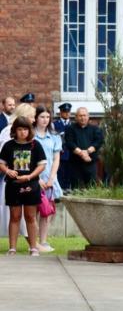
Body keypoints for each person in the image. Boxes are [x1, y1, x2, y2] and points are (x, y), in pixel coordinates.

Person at [0, 115, 47, 255]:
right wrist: (7, 170)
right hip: (13, 185)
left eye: (25, 129)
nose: (22, 132)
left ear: (29, 130)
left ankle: (33, 247)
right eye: (20, 129)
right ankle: (12, 248)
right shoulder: (8, 145)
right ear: (15, 130)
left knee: (30, 216)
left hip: (31, 185)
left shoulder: (35, 145)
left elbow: (42, 165)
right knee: (14, 217)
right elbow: (1, 163)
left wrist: (30, 176)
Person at [34, 105, 62, 252]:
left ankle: (43, 241)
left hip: (50, 179)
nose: (45, 120)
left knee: (46, 211)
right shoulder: (30, 135)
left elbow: (56, 159)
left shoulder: (55, 136)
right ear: (36, 118)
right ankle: (33, 243)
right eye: (42, 117)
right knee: (33, 212)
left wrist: (51, 178)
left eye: (47, 117)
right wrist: (37, 178)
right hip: (34, 178)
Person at [65, 107, 104, 188]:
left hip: (90, 163)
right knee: (76, 188)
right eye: (80, 116)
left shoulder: (95, 129)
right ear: (76, 117)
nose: (82, 118)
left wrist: (87, 152)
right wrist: (82, 154)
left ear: (88, 116)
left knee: (91, 188)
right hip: (75, 165)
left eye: (84, 115)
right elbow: (70, 143)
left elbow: (98, 142)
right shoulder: (70, 129)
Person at [54, 102, 72, 191]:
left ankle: (67, 187)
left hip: (70, 152)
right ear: (60, 112)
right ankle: (60, 188)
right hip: (60, 152)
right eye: (64, 112)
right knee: (60, 171)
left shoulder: (72, 124)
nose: (67, 113)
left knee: (69, 171)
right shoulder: (55, 124)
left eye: (68, 112)